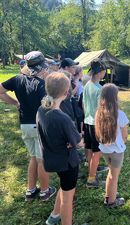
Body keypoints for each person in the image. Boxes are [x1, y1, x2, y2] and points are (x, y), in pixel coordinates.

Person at [0, 51, 56, 201]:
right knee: (41, 159)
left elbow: (0, 90)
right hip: (38, 126)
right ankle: (45, 192)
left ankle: (30, 190)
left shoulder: (17, 79)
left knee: (33, 157)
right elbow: (48, 106)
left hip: (25, 124)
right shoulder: (41, 84)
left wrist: (15, 103)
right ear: (41, 67)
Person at [37, 72, 81, 225]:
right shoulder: (62, 118)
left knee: (64, 187)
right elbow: (78, 142)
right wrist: (76, 139)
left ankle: (54, 215)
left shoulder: (41, 109)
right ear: (66, 91)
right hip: (68, 163)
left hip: (53, 159)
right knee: (68, 200)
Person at [95, 83, 128, 208]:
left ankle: (109, 195)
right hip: (117, 151)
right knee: (114, 176)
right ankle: (111, 202)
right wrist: (121, 143)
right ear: (115, 97)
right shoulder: (120, 114)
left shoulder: (99, 113)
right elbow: (125, 136)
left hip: (104, 149)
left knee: (111, 173)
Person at [83, 59, 107, 188]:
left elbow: (83, 103)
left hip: (87, 121)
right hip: (95, 123)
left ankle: (91, 173)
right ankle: (91, 180)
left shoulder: (87, 85)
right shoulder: (100, 89)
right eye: (104, 71)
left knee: (91, 150)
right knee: (97, 152)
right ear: (99, 72)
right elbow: (100, 109)